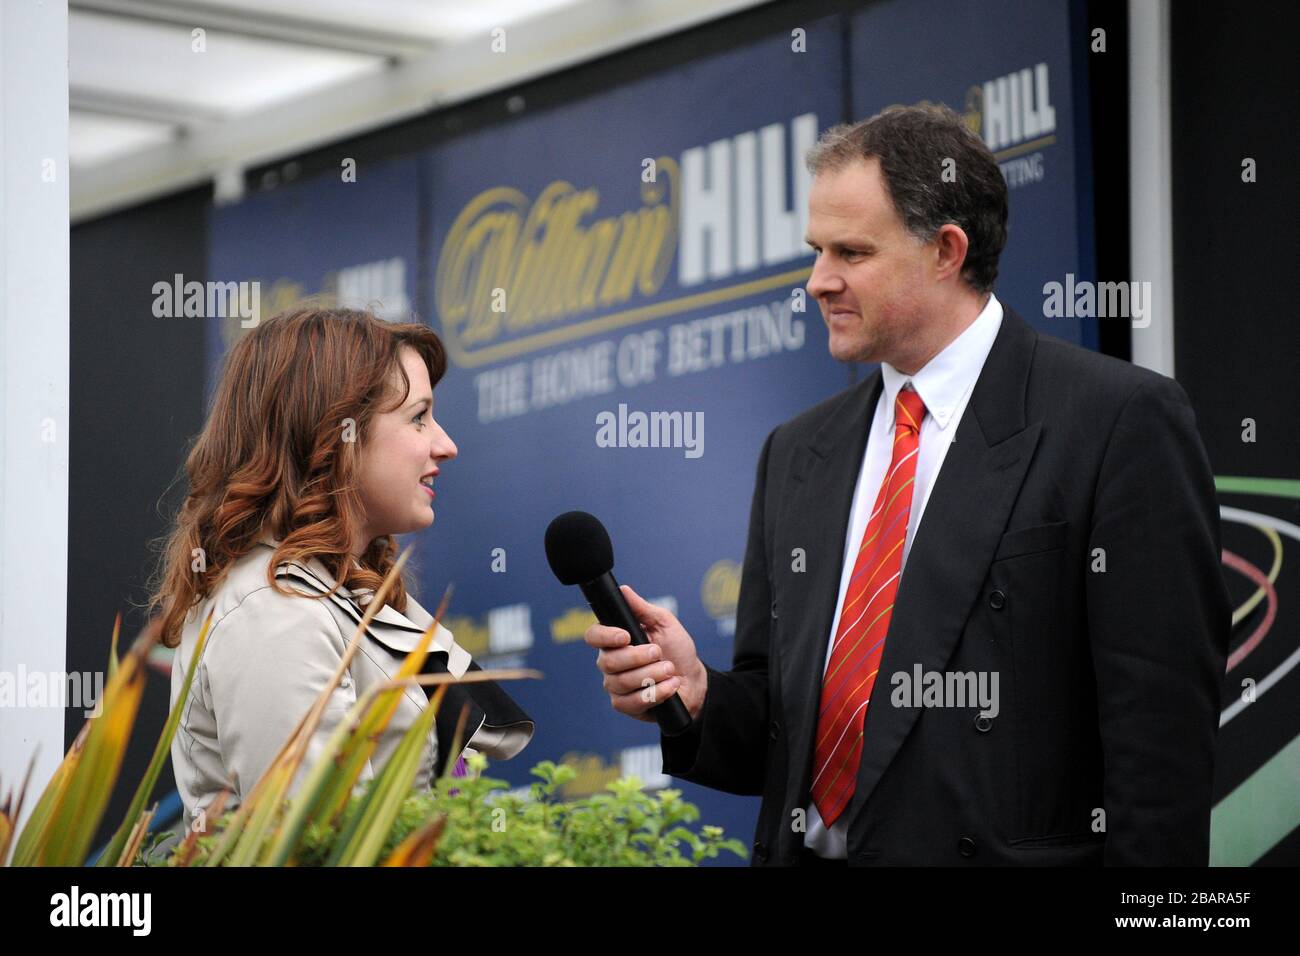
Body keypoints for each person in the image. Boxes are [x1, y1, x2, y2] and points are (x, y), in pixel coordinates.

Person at [585, 104, 1230, 866]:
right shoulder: (797, 452)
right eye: (815, 251)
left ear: (945, 251)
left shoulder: (1117, 421)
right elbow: (783, 738)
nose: (818, 282)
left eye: (851, 252)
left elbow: (1159, 752)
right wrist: (697, 695)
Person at [150, 305, 534, 830]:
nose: (445, 445)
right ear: (336, 435)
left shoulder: (324, 592)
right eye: (418, 417)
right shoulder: (276, 612)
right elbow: (320, 844)